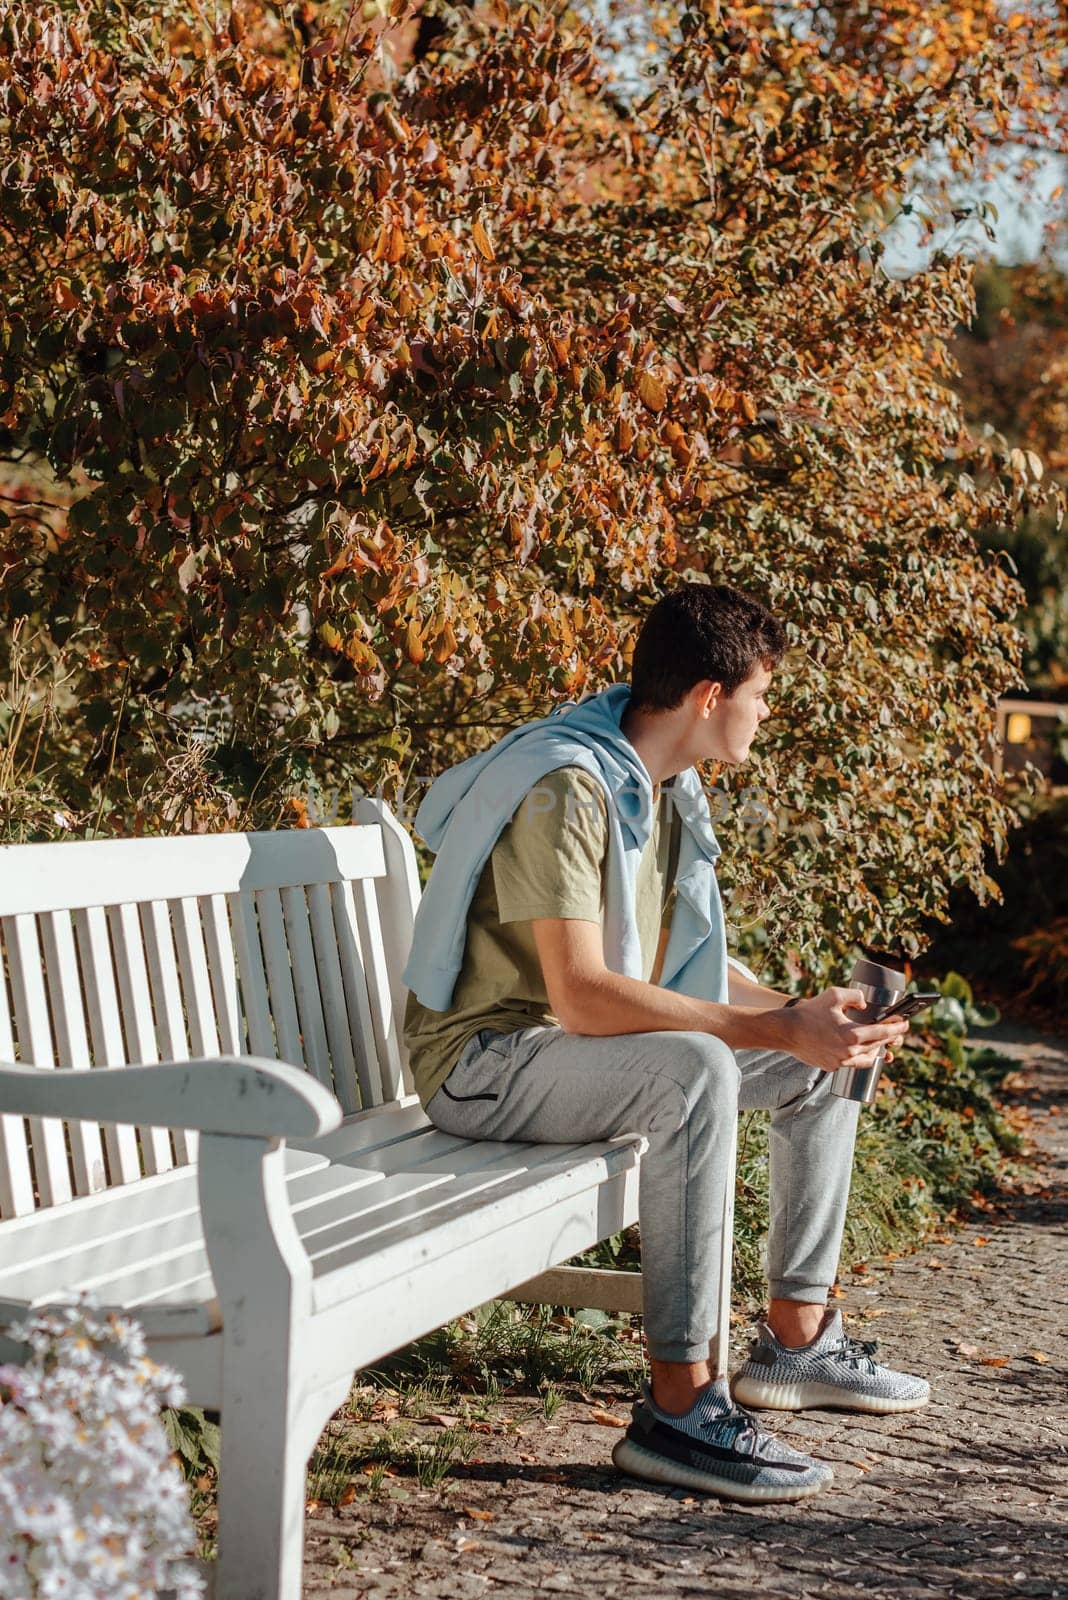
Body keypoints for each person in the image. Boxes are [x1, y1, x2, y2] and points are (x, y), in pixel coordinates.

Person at [402, 582, 929, 1504]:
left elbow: (675, 968)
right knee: (697, 1070)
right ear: (708, 698)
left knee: (829, 1061)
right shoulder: (568, 785)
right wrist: (768, 1029)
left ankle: (798, 1344)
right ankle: (681, 1408)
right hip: (484, 1064)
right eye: (761, 695)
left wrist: (803, 1017)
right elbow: (582, 996)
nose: (765, 716)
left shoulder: (662, 786)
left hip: (564, 1058)